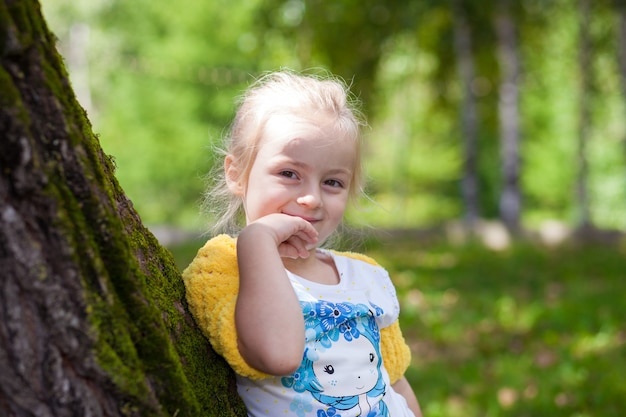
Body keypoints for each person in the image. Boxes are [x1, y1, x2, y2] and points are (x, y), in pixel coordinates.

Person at [183, 70, 423, 417]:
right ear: (236, 173)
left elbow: (396, 382)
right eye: (289, 174)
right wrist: (259, 240)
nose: (311, 198)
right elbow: (277, 355)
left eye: (332, 182)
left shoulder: (366, 276)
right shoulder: (223, 265)